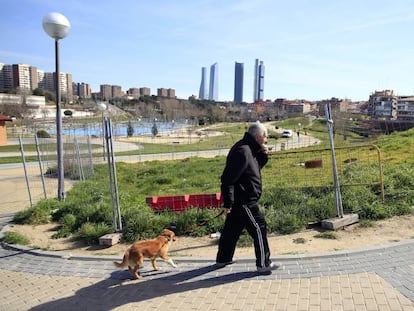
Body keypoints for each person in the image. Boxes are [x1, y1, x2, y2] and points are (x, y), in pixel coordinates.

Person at [215, 121, 280, 274]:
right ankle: (264, 264)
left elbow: (254, 169)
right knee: (259, 227)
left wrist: (263, 155)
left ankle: (223, 259)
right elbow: (228, 179)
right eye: (266, 136)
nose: (267, 139)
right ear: (258, 136)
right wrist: (229, 202)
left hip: (241, 199)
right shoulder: (242, 151)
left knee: (232, 230)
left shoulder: (250, 149)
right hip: (244, 199)